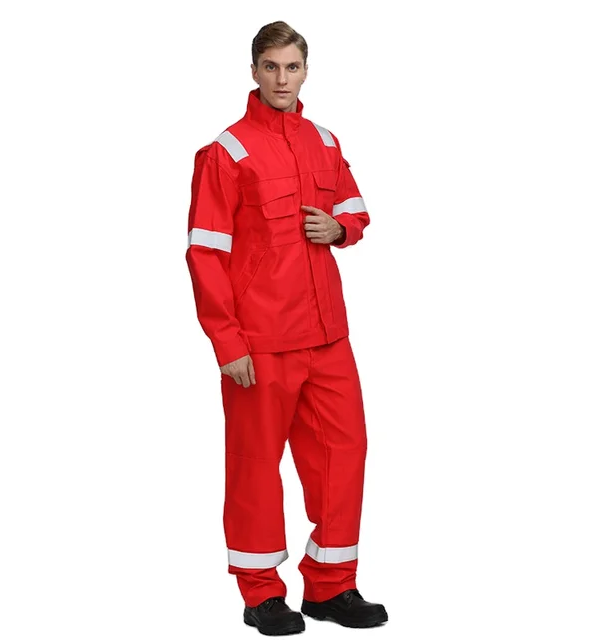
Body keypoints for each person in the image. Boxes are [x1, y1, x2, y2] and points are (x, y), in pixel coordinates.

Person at [185, 21, 388, 635]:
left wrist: (341, 229)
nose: (281, 78)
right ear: (253, 71)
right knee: (255, 465)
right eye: (270, 67)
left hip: (327, 335)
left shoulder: (325, 141)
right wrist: (227, 342)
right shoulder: (227, 152)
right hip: (260, 340)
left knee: (343, 455)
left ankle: (332, 586)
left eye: (292, 67)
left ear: (305, 71)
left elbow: (354, 207)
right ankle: (261, 594)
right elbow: (205, 253)